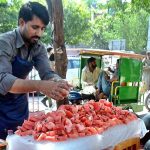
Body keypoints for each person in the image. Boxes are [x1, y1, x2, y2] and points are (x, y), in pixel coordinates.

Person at [0, 2, 71, 140]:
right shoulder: (4, 42)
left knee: (20, 140)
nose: (39, 33)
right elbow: (3, 80)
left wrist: (58, 83)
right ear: (21, 22)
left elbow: (47, 73)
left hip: (19, 105)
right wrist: (40, 85)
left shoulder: (38, 47)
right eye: (35, 27)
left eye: (43, 29)